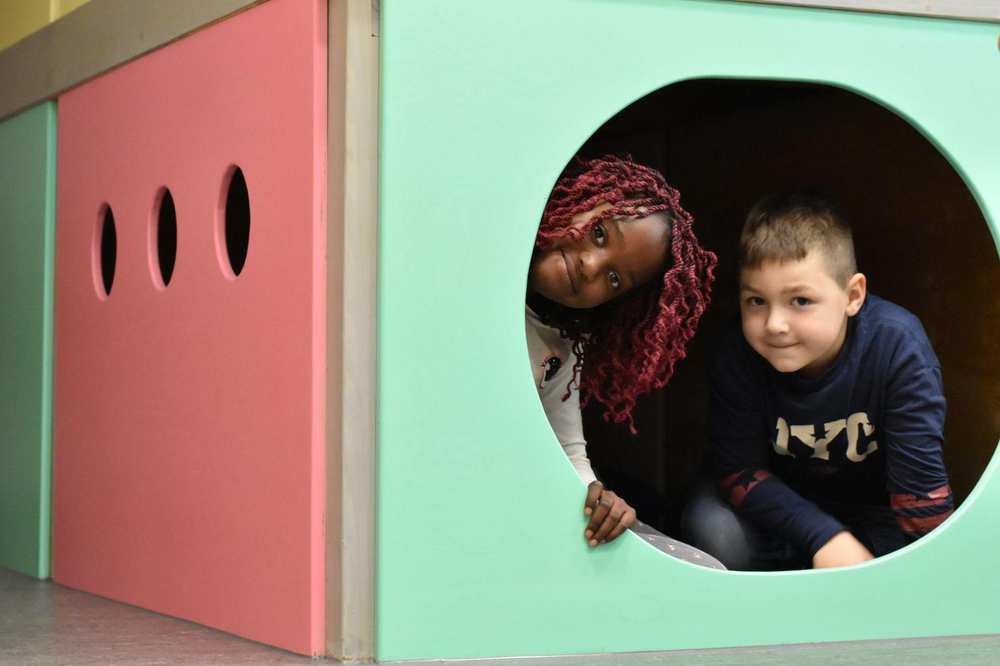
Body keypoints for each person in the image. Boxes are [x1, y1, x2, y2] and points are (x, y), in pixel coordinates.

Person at [683, 192, 953, 570]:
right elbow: (738, 471)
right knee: (714, 530)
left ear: (853, 295)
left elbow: (920, 496)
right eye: (756, 301)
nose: (774, 324)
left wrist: (926, 574)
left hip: (872, 515)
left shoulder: (896, 346)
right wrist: (823, 536)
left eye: (800, 301)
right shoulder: (736, 353)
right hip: (773, 514)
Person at [526, 155, 721, 567]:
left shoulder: (561, 345)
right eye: (599, 233)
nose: (590, 266)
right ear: (576, 197)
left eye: (614, 280)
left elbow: (568, 455)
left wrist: (601, 503)